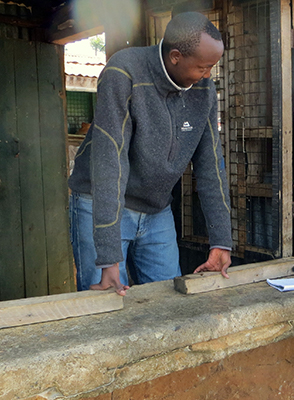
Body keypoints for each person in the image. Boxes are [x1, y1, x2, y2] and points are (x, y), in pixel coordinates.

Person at [68, 12, 233, 296]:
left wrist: (221, 240)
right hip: (103, 204)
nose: (208, 75)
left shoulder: (203, 89)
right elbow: (110, 159)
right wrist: (108, 254)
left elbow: (210, 165)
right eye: (203, 67)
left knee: (168, 302)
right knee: (105, 302)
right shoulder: (124, 72)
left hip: (157, 210)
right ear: (176, 57)